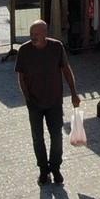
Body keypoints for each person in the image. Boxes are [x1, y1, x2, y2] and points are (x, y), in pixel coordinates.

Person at [16, 21, 79, 186]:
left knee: (56, 136)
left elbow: (66, 70)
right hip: (34, 103)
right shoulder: (24, 50)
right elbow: (21, 76)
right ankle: (43, 170)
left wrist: (73, 93)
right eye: (31, 34)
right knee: (38, 138)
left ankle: (56, 167)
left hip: (54, 102)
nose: (33, 37)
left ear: (45, 34)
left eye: (36, 34)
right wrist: (27, 98)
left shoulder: (56, 47)